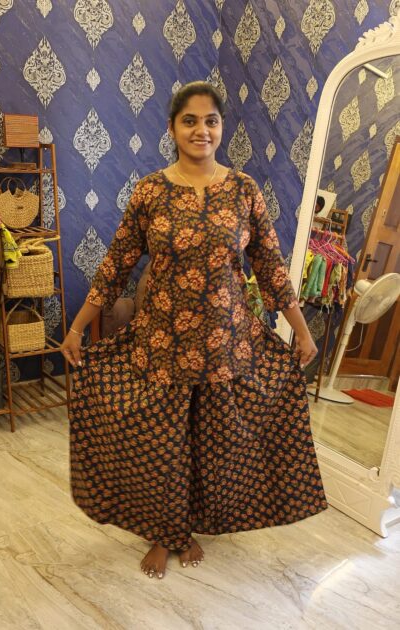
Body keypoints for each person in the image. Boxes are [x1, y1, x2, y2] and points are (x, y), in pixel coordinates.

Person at [61, 81, 327, 581]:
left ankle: (188, 527)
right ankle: (165, 534)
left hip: (226, 345)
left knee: (212, 446)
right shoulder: (150, 192)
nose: (201, 130)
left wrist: (302, 331)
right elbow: (117, 264)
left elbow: (270, 266)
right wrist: (77, 327)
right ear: (172, 128)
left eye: (210, 121)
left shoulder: (244, 190)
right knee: (162, 448)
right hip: (161, 344)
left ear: (221, 128)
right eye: (190, 120)